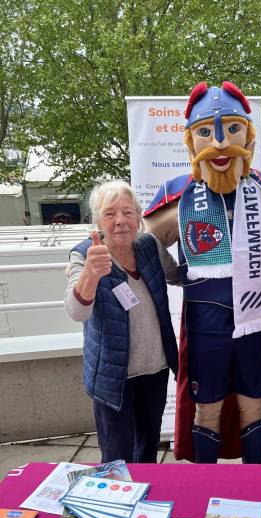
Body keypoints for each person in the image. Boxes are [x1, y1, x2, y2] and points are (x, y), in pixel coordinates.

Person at [144, 81, 261, 464]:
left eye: (231, 129)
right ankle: (205, 486)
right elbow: (147, 242)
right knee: (205, 409)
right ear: (191, 140)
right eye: (207, 132)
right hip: (206, 326)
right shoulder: (176, 193)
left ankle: (255, 485)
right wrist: (175, 274)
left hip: (255, 324)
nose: (221, 143)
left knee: (253, 406)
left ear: (248, 133)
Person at [65, 180, 178, 463]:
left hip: (155, 369)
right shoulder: (85, 255)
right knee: (117, 457)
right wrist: (90, 275)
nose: (120, 221)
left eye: (128, 212)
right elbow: (76, 311)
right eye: (110, 213)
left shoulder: (149, 245)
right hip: (113, 376)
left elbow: (178, 275)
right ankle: (117, 504)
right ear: (98, 221)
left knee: (148, 449)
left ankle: (145, 506)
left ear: (138, 217)